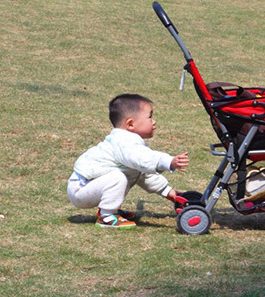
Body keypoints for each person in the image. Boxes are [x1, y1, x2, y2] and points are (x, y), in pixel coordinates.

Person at [67, 93, 189, 229]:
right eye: (150, 117)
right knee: (118, 178)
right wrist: (168, 161)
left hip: (90, 186)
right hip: (81, 188)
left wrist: (168, 192)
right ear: (130, 124)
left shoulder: (129, 142)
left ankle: (110, 210)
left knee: (122, 175)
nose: (154, 122)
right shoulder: (124, 143)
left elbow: (144, 172)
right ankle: (107, 216)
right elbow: (145, 160)